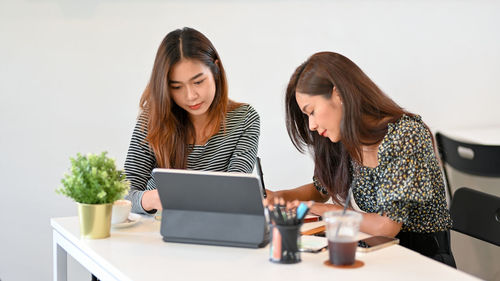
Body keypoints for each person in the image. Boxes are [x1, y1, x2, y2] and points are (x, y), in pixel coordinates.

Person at [267, 52, 456, 266]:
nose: (311, 125)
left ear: (338, 94)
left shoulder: (405, 134)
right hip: (380, 253)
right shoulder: (347, 138)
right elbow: (321, 189)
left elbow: (387, 226)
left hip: (423, 261)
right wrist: (280, 197)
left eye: (311, 112)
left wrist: (333, 212)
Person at [124, 27, 260, 215]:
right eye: (177, 87)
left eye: (198, 82)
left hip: (213, 228)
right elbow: (124, 193)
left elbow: (234, 191)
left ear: (216, 69)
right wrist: (152, 199)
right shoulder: (153, 119)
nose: (190, 96)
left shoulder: (244, 119)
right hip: (154, 230)